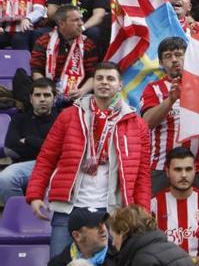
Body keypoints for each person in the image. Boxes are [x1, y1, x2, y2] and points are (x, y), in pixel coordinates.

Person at [26, 62, 151, 257]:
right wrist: (35, 194)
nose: (104, 83)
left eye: (110, 79)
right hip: (68, 208)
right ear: (93, 83)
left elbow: (142, 172)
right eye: (99, 78)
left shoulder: (137, 124)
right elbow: (47, 157)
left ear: (120, 85)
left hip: (112, 211)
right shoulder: (69, 116)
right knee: (60, 261)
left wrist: (142, 209)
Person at [140, 37, 199, 200]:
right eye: (168, 56)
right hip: (161, 168)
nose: (174, 60)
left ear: (188, 57)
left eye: (178, 54)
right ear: (161, 63)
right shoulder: (153, 89)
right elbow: (146, 123)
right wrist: (170, 101)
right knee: (150, 219)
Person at [151, 147, 199, 264]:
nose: (184, 175)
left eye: (188, 169)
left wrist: (197, 261)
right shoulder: (153, 205)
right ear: (167, 172)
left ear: (195, 171)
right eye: (178, 170)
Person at [0, 79, 57, 205]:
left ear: (54, 98)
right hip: (25, 166)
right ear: (31, 98)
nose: (42, 99)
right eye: (37, 95)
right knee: (4, 179)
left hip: (54, 166)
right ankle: (20, 214)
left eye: (47, 95)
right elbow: (11, 148)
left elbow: (61, 150)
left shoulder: (62, 118)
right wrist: (46, 145)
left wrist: (29, 140)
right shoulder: (19, 119)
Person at [30, 5, 100, 102]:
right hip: (49, 94)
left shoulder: (87, 44)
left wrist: (82, 91)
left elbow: (93, 75)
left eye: (81, 19)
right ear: (62, 24)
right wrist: (48, 89)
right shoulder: (44, 42)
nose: (81, 23)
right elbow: (36, 71)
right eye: (76, 20)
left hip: (79, 95)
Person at [107, 205, 191, 266]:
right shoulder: (175, 248)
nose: (113, 243)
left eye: (113, 237)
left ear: (123, 232)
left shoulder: (143, 259)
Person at [48, 207, 114, 266]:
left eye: (103, 223)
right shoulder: (56, 263)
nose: (103, 229)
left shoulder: (120, 258)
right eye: (95, 225)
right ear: (77, 236)